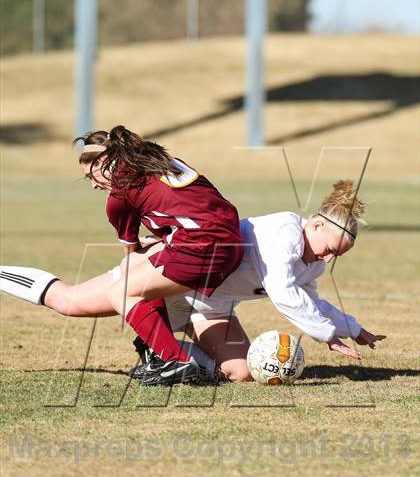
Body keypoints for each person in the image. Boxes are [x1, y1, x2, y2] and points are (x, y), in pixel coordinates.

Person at [1, 181, 386, 383]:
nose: (328, 258)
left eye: (339, 255)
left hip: (210, 305)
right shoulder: (286, 232)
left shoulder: (312, 261)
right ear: (315, 223)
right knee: (68, 302)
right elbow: (285, 295)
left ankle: (164, 353)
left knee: (242, 373)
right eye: (330, 248)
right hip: (168, 274)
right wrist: (327, 336)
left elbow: (311, 300)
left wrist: (352, 328)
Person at [76, 125, 244, 384]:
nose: (94, 186)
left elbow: (130, 255)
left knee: (122, 290)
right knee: (145, 271)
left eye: (90, 176)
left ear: (103, 161)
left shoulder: (120, 192)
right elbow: (194, 209)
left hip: (200, 248)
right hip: (233, 241)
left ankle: (171, 358)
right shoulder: (165, 162)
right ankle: (161, 351)